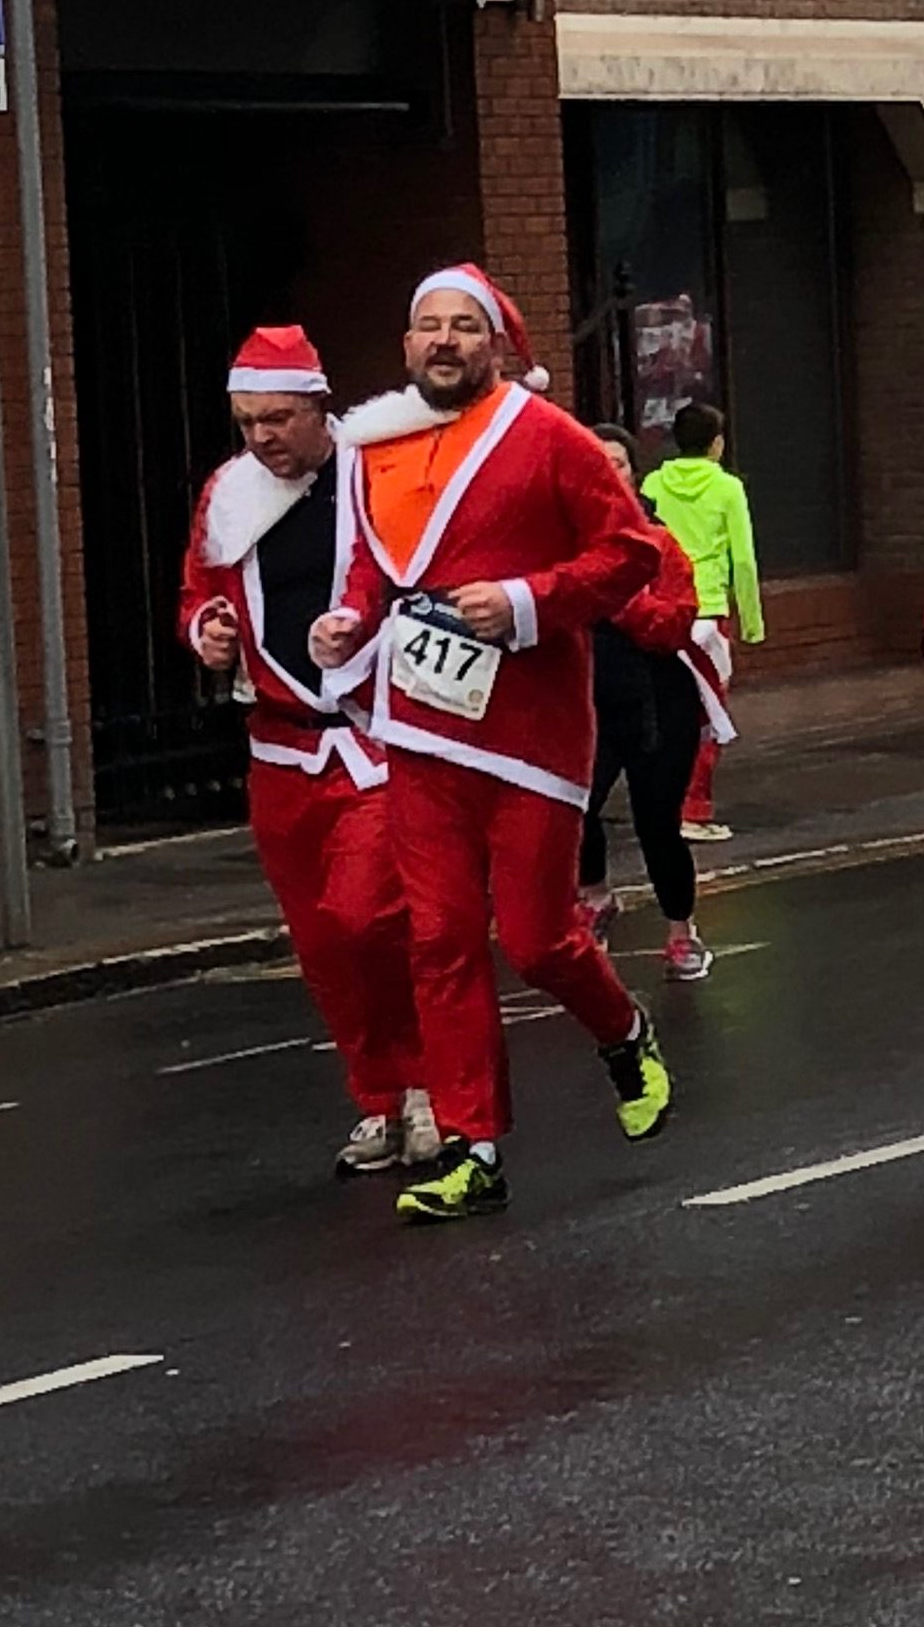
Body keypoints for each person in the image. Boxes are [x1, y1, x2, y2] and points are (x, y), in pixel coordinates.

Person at [313, 269, 675, 1223]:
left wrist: (523, 603)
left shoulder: (550, 440)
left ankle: (624, 1033)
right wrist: (347, 623)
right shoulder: (371, 447)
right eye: (426, 325)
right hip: (422, 722)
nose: (443, 341)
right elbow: (367, 567)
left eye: (464, 328)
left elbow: (631, 555)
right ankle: (475, 1147)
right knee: (437, 938)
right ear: (404, 347)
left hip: (530, 733)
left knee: (538, 938)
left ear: (501, 345)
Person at [179, 322, 432, 1178]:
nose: (262, 438)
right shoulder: (228, 494)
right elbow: (202, 587)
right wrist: (204, 631)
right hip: (278, 752)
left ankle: (428, 1084)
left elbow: (411, 576)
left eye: (278, 419)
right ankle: (378, 1101)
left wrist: (363, 624)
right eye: (247, 421)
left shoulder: (373, 478)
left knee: (372, 919)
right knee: (322, 945)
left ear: (321, 408)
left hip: (370, 741)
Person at [582, 430, 726, 985]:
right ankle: (595, 896)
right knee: (575, 809)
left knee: (656, 823)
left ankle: (681, 931)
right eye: (597, 464)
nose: (607, 473)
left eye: (617, 463)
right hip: (589, 702)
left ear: (633, 476)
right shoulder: (566, 543)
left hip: (658, 702)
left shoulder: (659, 544)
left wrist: (620, 600)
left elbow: (672, 626)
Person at [642, 401, 764, 837]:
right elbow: (744, 560)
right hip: (709, 612)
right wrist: (751, 622)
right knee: (708, 714)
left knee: (666, 713)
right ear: (716, 443)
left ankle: (662, 804)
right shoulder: (728, 488)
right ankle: (693, 810)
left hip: (663, 610)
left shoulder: (654, 483)